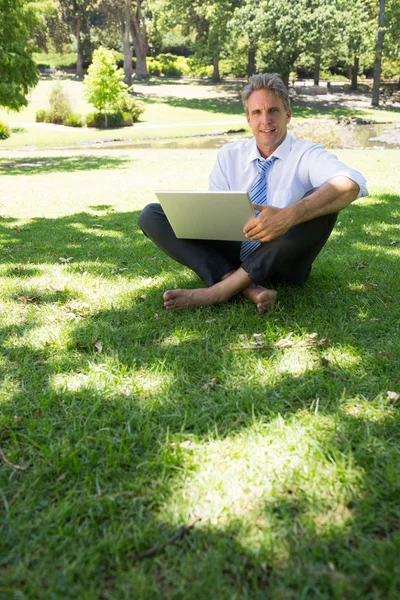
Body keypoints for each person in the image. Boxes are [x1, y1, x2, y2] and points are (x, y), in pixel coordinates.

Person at [138, 73, 368, 312]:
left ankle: (218, 291)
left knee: (322, 207)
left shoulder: (306, 155)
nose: (265, 120)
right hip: (234, 252)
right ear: (248, 119)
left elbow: (351, 183)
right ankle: (248, 288)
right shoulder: (229, 155)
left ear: (288, 115)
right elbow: (214, 214)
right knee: (151, 215)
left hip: (284, 262)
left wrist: (288, 216)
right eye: (257, 113)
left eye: (273, 111)